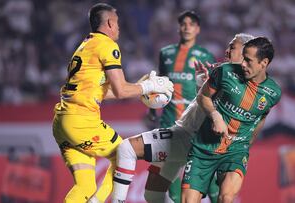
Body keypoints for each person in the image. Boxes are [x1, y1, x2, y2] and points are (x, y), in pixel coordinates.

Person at [110, 33, 254, 203]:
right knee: (152, 194)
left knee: (127, 148)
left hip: (186, 138)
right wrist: (203, 83)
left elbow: (222, 110)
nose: (227, 50)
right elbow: (205, 104)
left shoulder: (236, 81)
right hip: (185, 136)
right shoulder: (224, 72)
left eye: (233, 47)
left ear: (246, 53)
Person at [51, 3, 173, 203]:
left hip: (62, 123)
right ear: (109, 22)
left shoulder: (84, 46)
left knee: (85, 186)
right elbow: (121, 90)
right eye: (117, 23)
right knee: (125, 152)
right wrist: (149, 86)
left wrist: (137, 85)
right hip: (82, 121)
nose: (119, 28)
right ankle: (98, 200)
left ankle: (92, 197)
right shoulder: (107, 45)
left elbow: (101, 92)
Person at [181, 37, 281, 203]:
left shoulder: (273, 92)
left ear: (264, 63)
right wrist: (215, 115)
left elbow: (262, 115)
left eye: (248, 61)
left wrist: (249, 142)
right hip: (204, 147)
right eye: (243, 58)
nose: (243, 64)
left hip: (235, 151)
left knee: (226, 198)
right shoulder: (225, 71)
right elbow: (203, 96)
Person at [147, 10, 216, 203]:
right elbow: (157, 83)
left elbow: (210, 88)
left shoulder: (205, 55)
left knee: (211, 185)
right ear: (179, 27)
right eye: (183, 23)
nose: (187, 27)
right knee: (172, 181)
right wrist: (151, 109)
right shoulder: (165, 52)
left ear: (198, 29)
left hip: (195, 124)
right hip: (169, 122)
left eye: (191, 24)